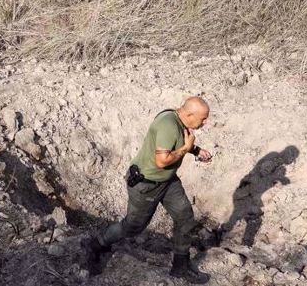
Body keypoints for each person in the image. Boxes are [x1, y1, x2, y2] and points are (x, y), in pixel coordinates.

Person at [82, 96, 214, 283]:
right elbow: (162, 161)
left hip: (168, 181)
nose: (206, 122)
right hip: (147, 184)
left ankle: (180, 267)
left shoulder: (181, 120)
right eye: (203, 118)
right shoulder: (167, 124)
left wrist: (196, 150)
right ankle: (99, 244)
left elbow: (179, 142)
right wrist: (186, 148)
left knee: (185, 216)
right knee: (132, 227)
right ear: (189, 114)